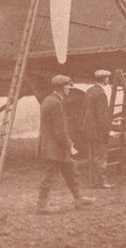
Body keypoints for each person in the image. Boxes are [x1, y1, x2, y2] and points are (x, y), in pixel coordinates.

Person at [36, 75, 95, 214]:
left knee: (70, 170)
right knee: (49, 175)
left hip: (54, 146)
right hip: (54, 147)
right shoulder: (56, 103)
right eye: (68, 86)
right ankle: (41, 205)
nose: (70, 88)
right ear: (61, 88)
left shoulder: (49, 100)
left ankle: (78, 199)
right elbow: (59, 130)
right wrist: (70, 145)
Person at [82, 69, 115, 189]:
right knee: (101, 156)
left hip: (88, 129)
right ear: (104, 79)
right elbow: (102, 116)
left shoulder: (89, 91)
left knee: (91, 156)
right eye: (107, 78)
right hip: (98, 130)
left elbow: (85, 110)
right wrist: (108, 130)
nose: (108, 80)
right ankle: (102, 181)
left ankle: (92, 182)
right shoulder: (101, 94)